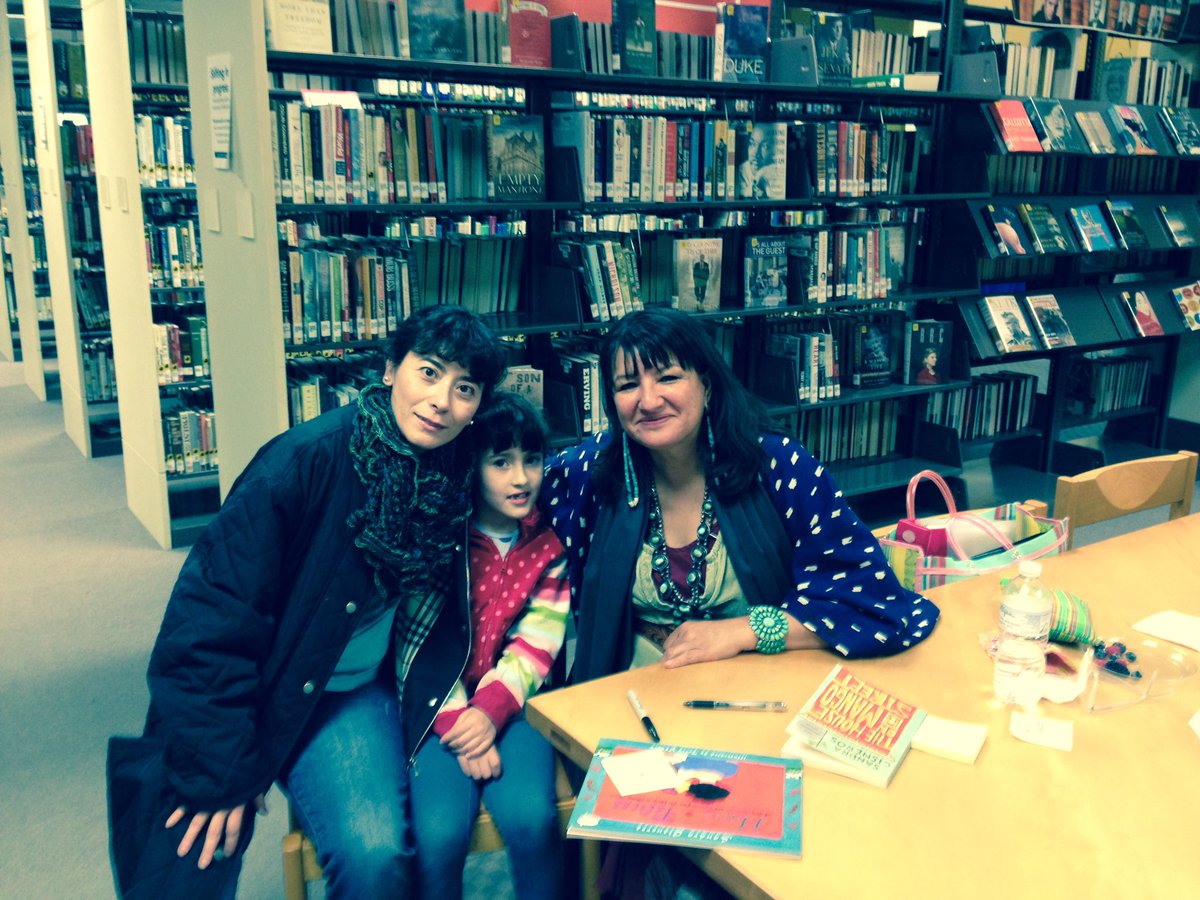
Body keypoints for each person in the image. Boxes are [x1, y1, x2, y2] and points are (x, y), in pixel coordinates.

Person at [106, 305, 507, 899]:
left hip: (347, 695)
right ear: (391, 368)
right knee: (192, 845)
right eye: (428, 372)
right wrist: (224, 770)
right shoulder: (301, 464)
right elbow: (205, 625)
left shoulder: (451, 479)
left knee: (374, 854)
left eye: (464, 388)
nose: (442, 400)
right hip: (255, 692)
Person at [543, 308, 938, 684]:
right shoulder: (590, 473)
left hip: (757, 686)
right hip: (630, 691)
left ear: (707, 383)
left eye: (667, 378)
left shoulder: (781, 467)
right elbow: (501, 482)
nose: (647, 401)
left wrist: (745, 630)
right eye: (628, 385)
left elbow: (869, 599)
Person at [409, 392, 568, 900]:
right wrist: (461, 721)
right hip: (438, 710)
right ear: (472, 464)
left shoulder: (547, 547)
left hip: (514, 706)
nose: (521, 478)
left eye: (532, 460)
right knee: (438, 833)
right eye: (501, 462)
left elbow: (537, 641)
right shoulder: (438, 540)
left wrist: (492, 711)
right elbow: (419, 643)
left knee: (533, 819)